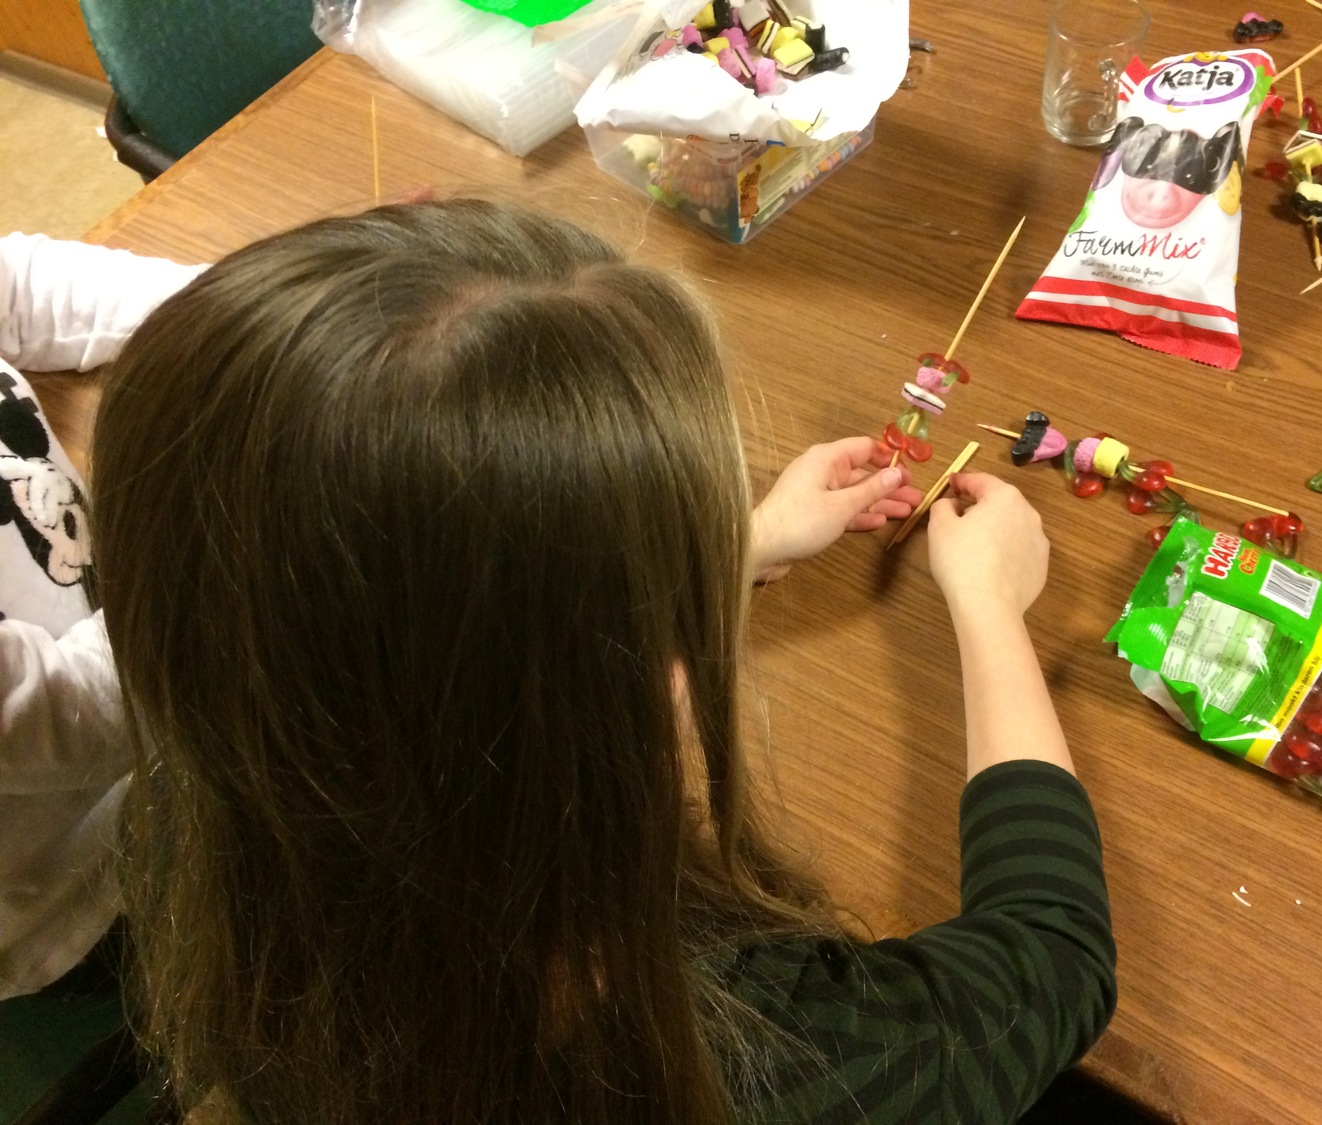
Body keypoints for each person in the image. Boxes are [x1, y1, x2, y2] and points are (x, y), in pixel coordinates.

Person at [85, 198, 1115, 1124]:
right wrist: (990, 606)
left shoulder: (209, 805)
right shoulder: (762, 1052)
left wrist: (727, 547)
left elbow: (427, 624)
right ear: (631, 687)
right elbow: (1052, 958)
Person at [0, 232, 203, 999]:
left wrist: (243, 305)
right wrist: (214, 591)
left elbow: (17, 284)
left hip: (138, 666)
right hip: (67, 880)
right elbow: (60, 712)